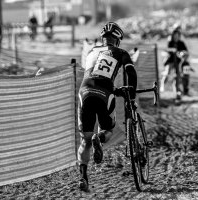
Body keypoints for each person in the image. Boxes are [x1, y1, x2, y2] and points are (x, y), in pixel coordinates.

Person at [77, 22, 137, 192]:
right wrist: (131, 98)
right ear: (117, 40)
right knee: (108, 130)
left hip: (85, 91)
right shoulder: (121, 52)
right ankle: (100, 138)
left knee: (85, 139)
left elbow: (94, 73)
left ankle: (83, 178)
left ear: (103, 38)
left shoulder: (91, 51)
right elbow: (131, 73)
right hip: (105, 92)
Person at [160, 28, 188, 99]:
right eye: (175, 35)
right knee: (167, 73)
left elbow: (185, 51)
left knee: (177, 76)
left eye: (177, 35)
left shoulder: (181, 43)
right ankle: (162, 85)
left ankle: (176, 90)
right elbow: (167, 50)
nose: (176, 37)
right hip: (170, 61)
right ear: (173, 36)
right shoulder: (170, 42)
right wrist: (173, 51)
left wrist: (182, 53)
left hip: (178, 62)